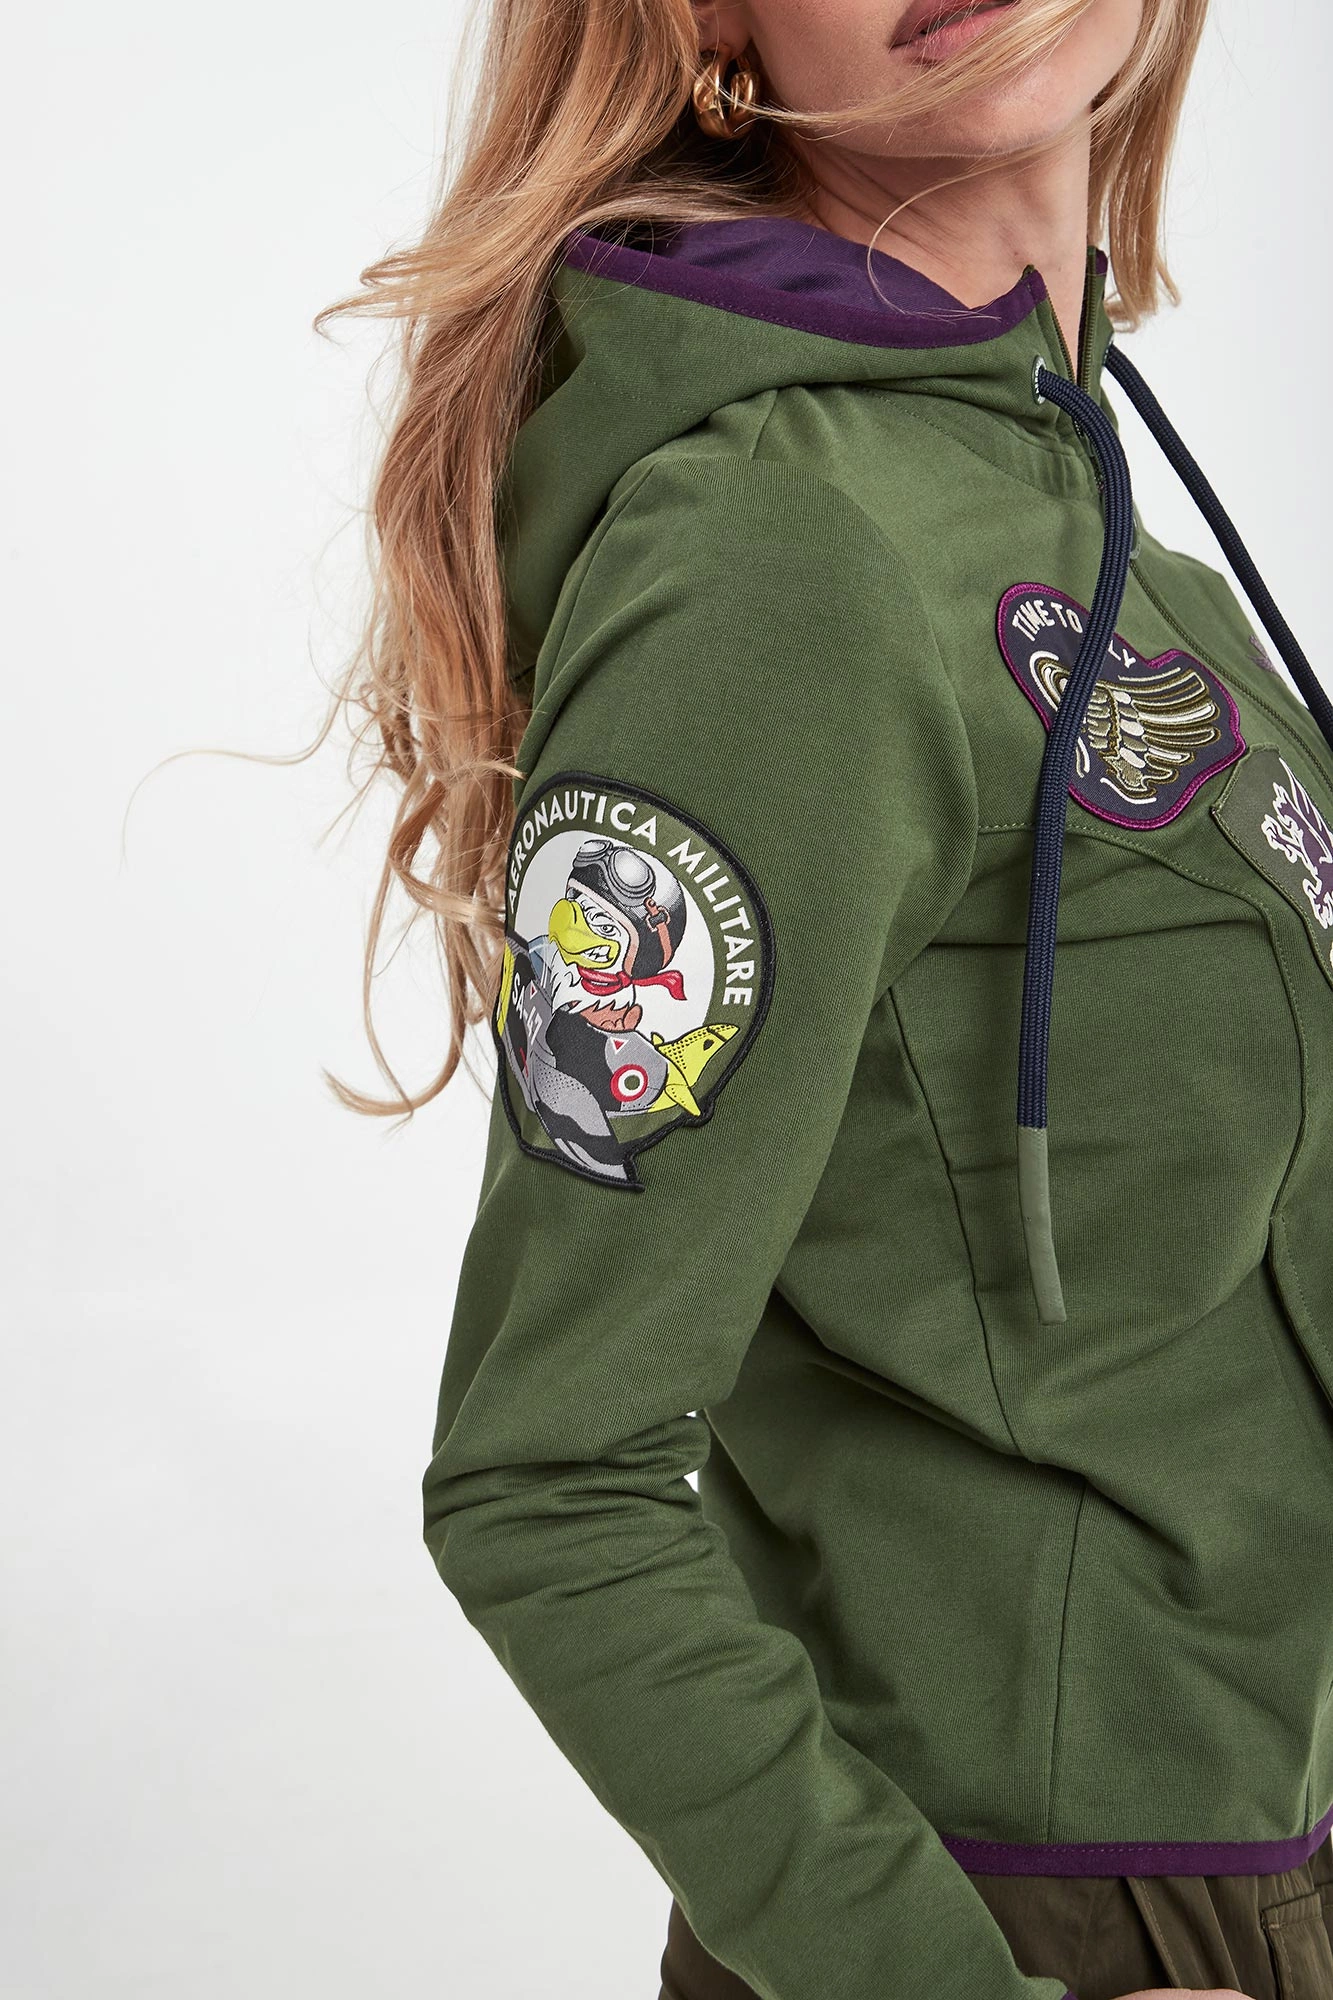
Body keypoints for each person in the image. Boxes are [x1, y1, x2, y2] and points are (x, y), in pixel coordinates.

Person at [319, 0, 1333, 1994]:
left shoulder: (1122, 539)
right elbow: (550, 1482)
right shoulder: (779, 560)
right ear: (708, 22)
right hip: (1027, 1918)